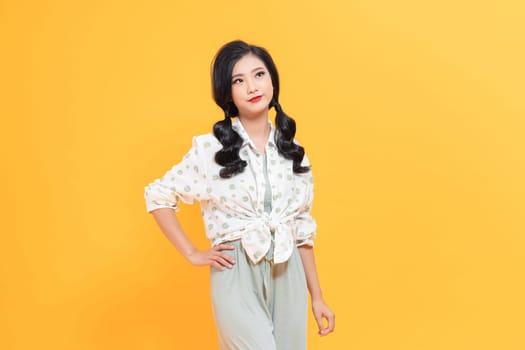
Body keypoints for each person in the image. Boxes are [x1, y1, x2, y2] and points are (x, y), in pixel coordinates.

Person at [144, 40, 335, 349]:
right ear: (228, 92)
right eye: (238, 80)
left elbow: (302, 232)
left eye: (259, 75)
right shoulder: (210, 149)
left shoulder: (293, 153)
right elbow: (158, 194)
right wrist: (192, 253)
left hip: (291, 276)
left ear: (272, 79)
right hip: (236, 275)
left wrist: (318, 298)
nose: (251, 87)